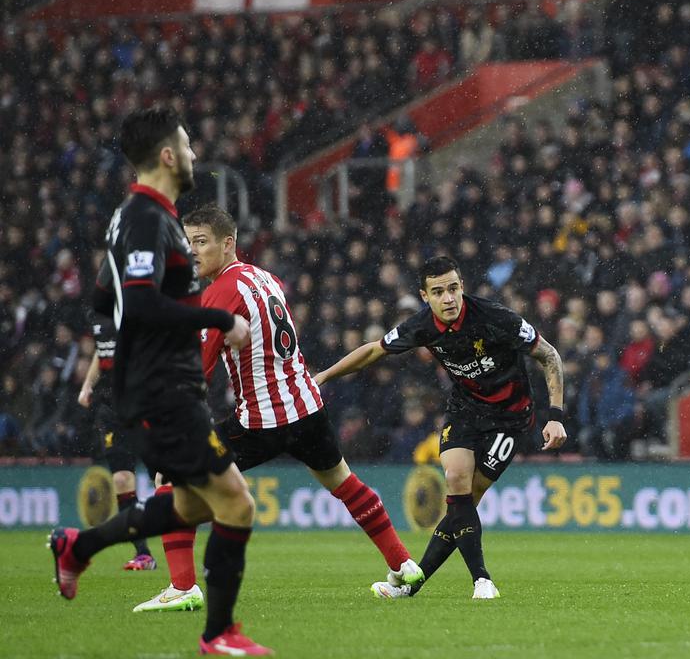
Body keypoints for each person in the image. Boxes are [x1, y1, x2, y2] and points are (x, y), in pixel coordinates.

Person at [47, 107, 270, 655]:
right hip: (164, 390)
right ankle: (218, 634)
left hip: (156, 386)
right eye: (189, 145)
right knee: (237, 505)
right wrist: (220, 320)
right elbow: (141, 304)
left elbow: (104, 302)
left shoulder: (133, 217)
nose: (194, 154)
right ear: (168, 155)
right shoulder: (147, 218)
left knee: (193, 505)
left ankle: (78, 546)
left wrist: (111, 359)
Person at [131, 205, 424, 612]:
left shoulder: (221, 292)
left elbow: (197, 370)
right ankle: (404, 564)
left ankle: (183, 588)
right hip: (307, 406)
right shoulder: (266, 278)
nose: (191, 252)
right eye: (187, 242)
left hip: (263, 419)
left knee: (171, 480)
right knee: (343, 482)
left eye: (201, 242)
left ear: (228, 243)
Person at [314, 256, 567, 599]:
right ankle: (482, 579)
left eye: (453, 289)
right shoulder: (421, 326)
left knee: (464, 503)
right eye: (438, 292)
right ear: (424, 296)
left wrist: (555, 415)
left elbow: (549, 355)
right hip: (465, 409)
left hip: (510, 417)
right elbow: (375, 351)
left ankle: (413, 584)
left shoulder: (494, 317)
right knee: (456, 482)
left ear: (462, 287)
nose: (448, 298)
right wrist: (325, 376)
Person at [76, 311, 156, 571]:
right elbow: (104, 352)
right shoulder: (103, 316)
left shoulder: (141, 307)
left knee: (164, 479)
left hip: (147, 405)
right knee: (121, 479)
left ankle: (186, 553)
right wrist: (88, 385)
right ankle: (143, 553)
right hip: (112, 407)